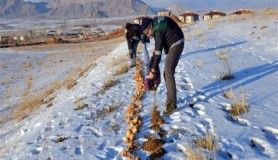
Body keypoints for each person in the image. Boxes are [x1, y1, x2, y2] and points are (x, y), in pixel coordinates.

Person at [141, 16, 184, 115]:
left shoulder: (158, 31)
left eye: (147, 33)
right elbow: (158, 48)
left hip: (177, 43)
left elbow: (158, 53)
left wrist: (152, 71)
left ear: (150, 27)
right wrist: (156, 51)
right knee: (167, 73)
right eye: (145, 34)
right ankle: (170, 99)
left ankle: (172, 105)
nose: (148, 36)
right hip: (174, 41)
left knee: (168, 71)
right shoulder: (156, 24)